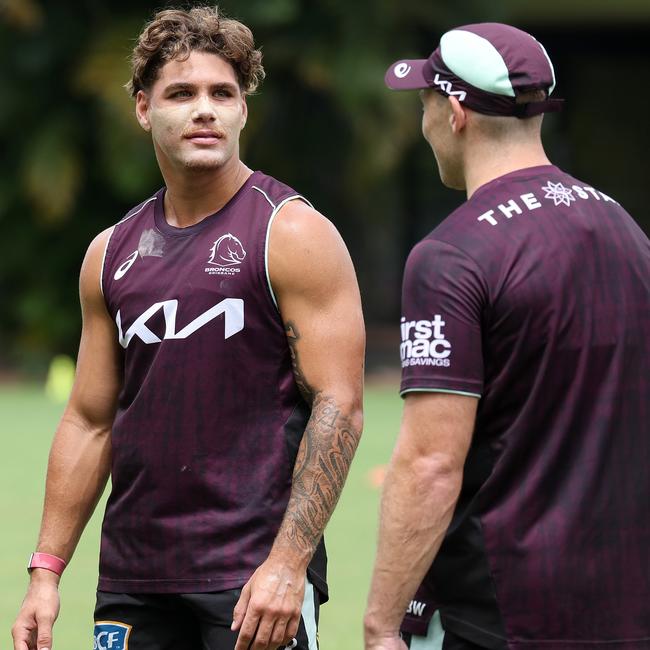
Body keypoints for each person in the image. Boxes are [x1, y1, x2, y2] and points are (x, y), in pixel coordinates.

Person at [12, 7, 365, 650]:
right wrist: (45, 572)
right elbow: (90, 421)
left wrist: (289, 565)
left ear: (243, 111)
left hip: (252, 580)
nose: (205, 110)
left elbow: (339, 405)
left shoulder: (291, 233)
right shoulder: (110, 252)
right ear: (144, 109)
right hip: (133, 580)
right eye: (182, 93)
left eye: (222, 94)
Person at [364, 22, 650, 650]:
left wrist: (382, 624)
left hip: (500, 619)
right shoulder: (627, 230)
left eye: (425, 104)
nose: (423, 123)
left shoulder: (451, 255)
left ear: (456, 111)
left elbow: (431, 464)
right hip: (626, 611)